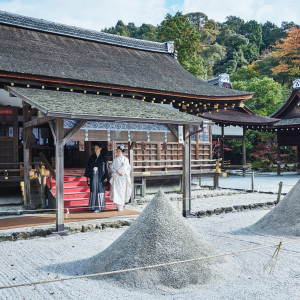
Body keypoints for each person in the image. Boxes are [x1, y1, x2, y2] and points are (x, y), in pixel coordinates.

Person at [84, 142, 109, 213]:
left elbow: (106, 169)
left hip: (100, 177)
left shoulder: (103, 158)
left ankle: (99, 207)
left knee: (99, 190)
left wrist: (106, 177)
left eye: (97, 148)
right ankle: (93, 206)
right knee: (94, 190)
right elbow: (88, 167)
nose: (95, 149)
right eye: (95, 148)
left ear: (100, 149)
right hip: (93, 176)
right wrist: (88, 176)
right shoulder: (92, 157)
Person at [110, 144, 132, 211]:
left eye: (119, 150)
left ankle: (121, 204)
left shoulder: (126, 159)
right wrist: (117, 171)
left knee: (122, 191)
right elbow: (111, 167)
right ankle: (118, 205)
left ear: (122, 151)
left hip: (123, 177)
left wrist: (124, 172)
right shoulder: (115, 159)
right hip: (117, 177)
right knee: (117, 191)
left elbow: (128, 168)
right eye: (117, 150)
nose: (118, 151)